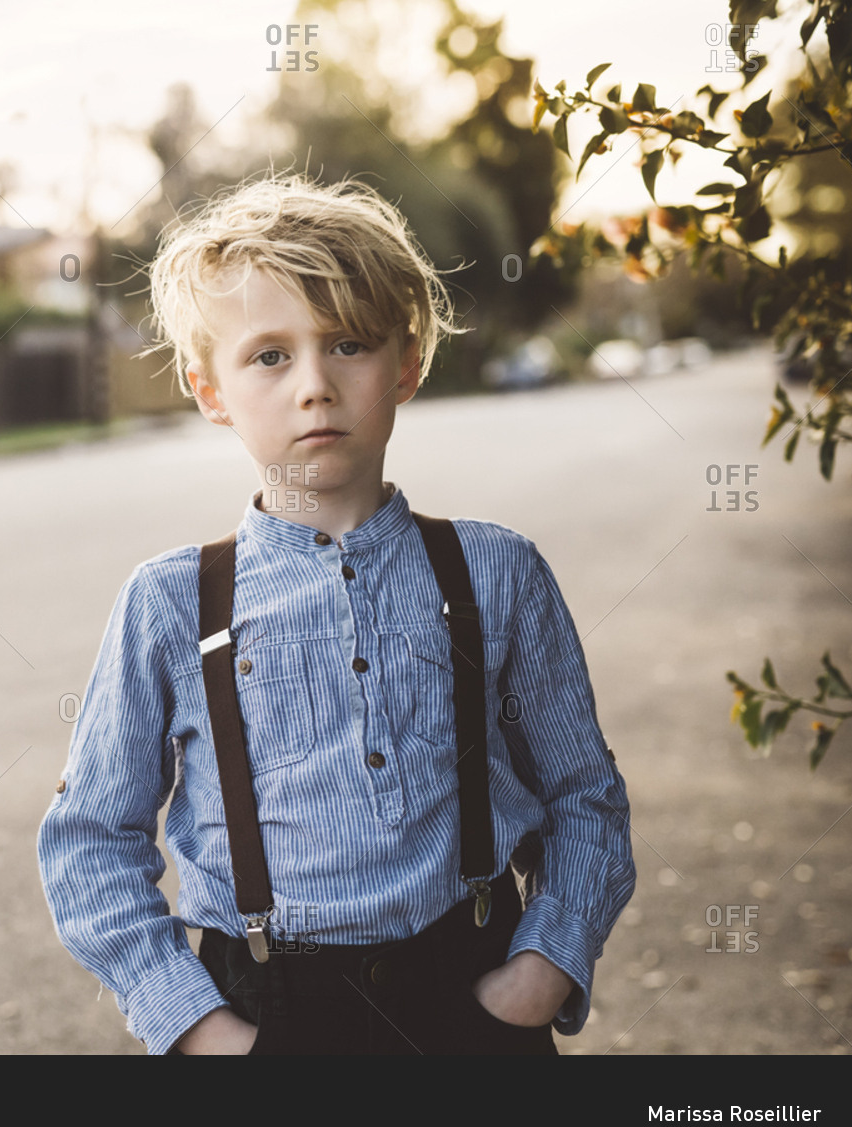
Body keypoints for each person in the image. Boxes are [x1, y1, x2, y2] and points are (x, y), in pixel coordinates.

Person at [36, 171, 635, 1054]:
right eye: (269, 355)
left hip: (471, 995)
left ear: (408, 362)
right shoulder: (168, 602)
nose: (313, 385)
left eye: (348, 343)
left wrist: (544, 965)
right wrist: (193, 1022)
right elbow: (90, 838)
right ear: (211, 391)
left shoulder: (497, 572)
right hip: (265, 1009)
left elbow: (585, 795)